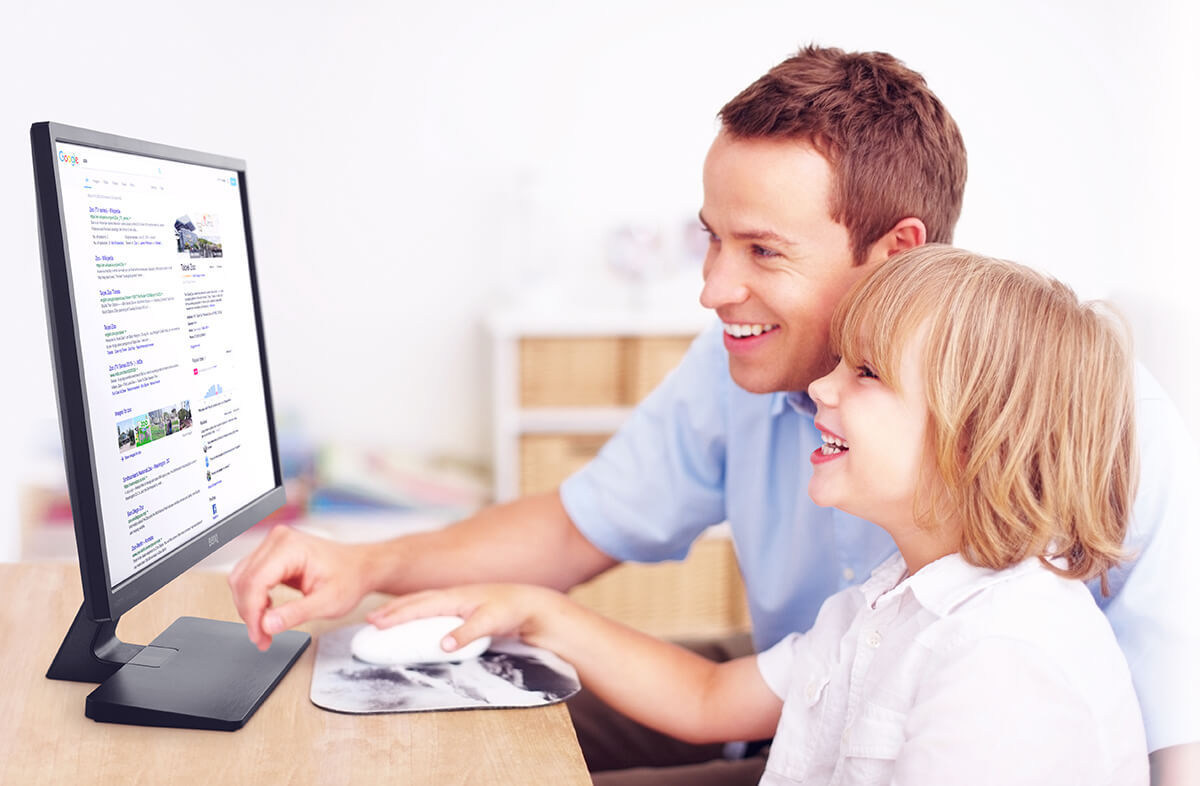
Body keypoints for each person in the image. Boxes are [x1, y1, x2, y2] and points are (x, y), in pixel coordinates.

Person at [227, 45, 1200, 783]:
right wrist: (367, 567)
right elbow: (578, 529)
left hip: (900, 739)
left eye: (762, 252)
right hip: (800, 692)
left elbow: (1171, 741)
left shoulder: (1080, 434)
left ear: (895, 252)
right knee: (470, 704)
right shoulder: (857, 588)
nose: (713, 288)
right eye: (711, 241)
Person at [367, 245, 1150, 785]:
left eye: (867, 374)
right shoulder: (884, 604)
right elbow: (710, 701)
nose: (820, 391)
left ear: (979, 438)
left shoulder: (1001, 663)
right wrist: (536, 612)